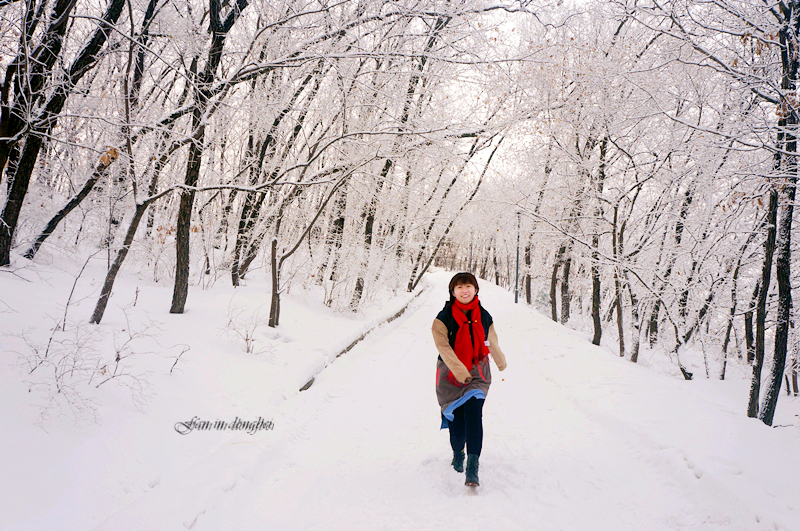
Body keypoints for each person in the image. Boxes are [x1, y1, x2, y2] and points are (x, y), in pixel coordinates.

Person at [432, 272, 507, 486]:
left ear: (475, 289)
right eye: (459, 287)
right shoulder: (442, 318)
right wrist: (458, 370)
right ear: (452, 292)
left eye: (468, 286)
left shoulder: (484, 316)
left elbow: (491, 340)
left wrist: (500, 360)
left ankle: (473, 467)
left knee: (474, 414)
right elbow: (443, 348)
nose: (464, 290)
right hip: (450, 376)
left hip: (477, 372)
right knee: (458, 426)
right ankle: (458, 453)